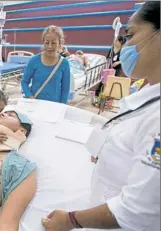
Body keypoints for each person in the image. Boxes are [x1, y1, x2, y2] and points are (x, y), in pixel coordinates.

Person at [42, 2, 160, 230]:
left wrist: (70, 220)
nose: (125, 47)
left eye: (131, 35)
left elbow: (137, 211)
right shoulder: (147, 93)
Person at [21, 25, 71, 104]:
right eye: (47, 43)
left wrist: (61, 107)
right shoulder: (34, 60)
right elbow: (24, 82)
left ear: (60, 43)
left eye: (53, 43)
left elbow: (65, 90)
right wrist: (29, 96)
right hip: (35, 104)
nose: (49, 46)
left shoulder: (64, 63)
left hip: (54, 106)